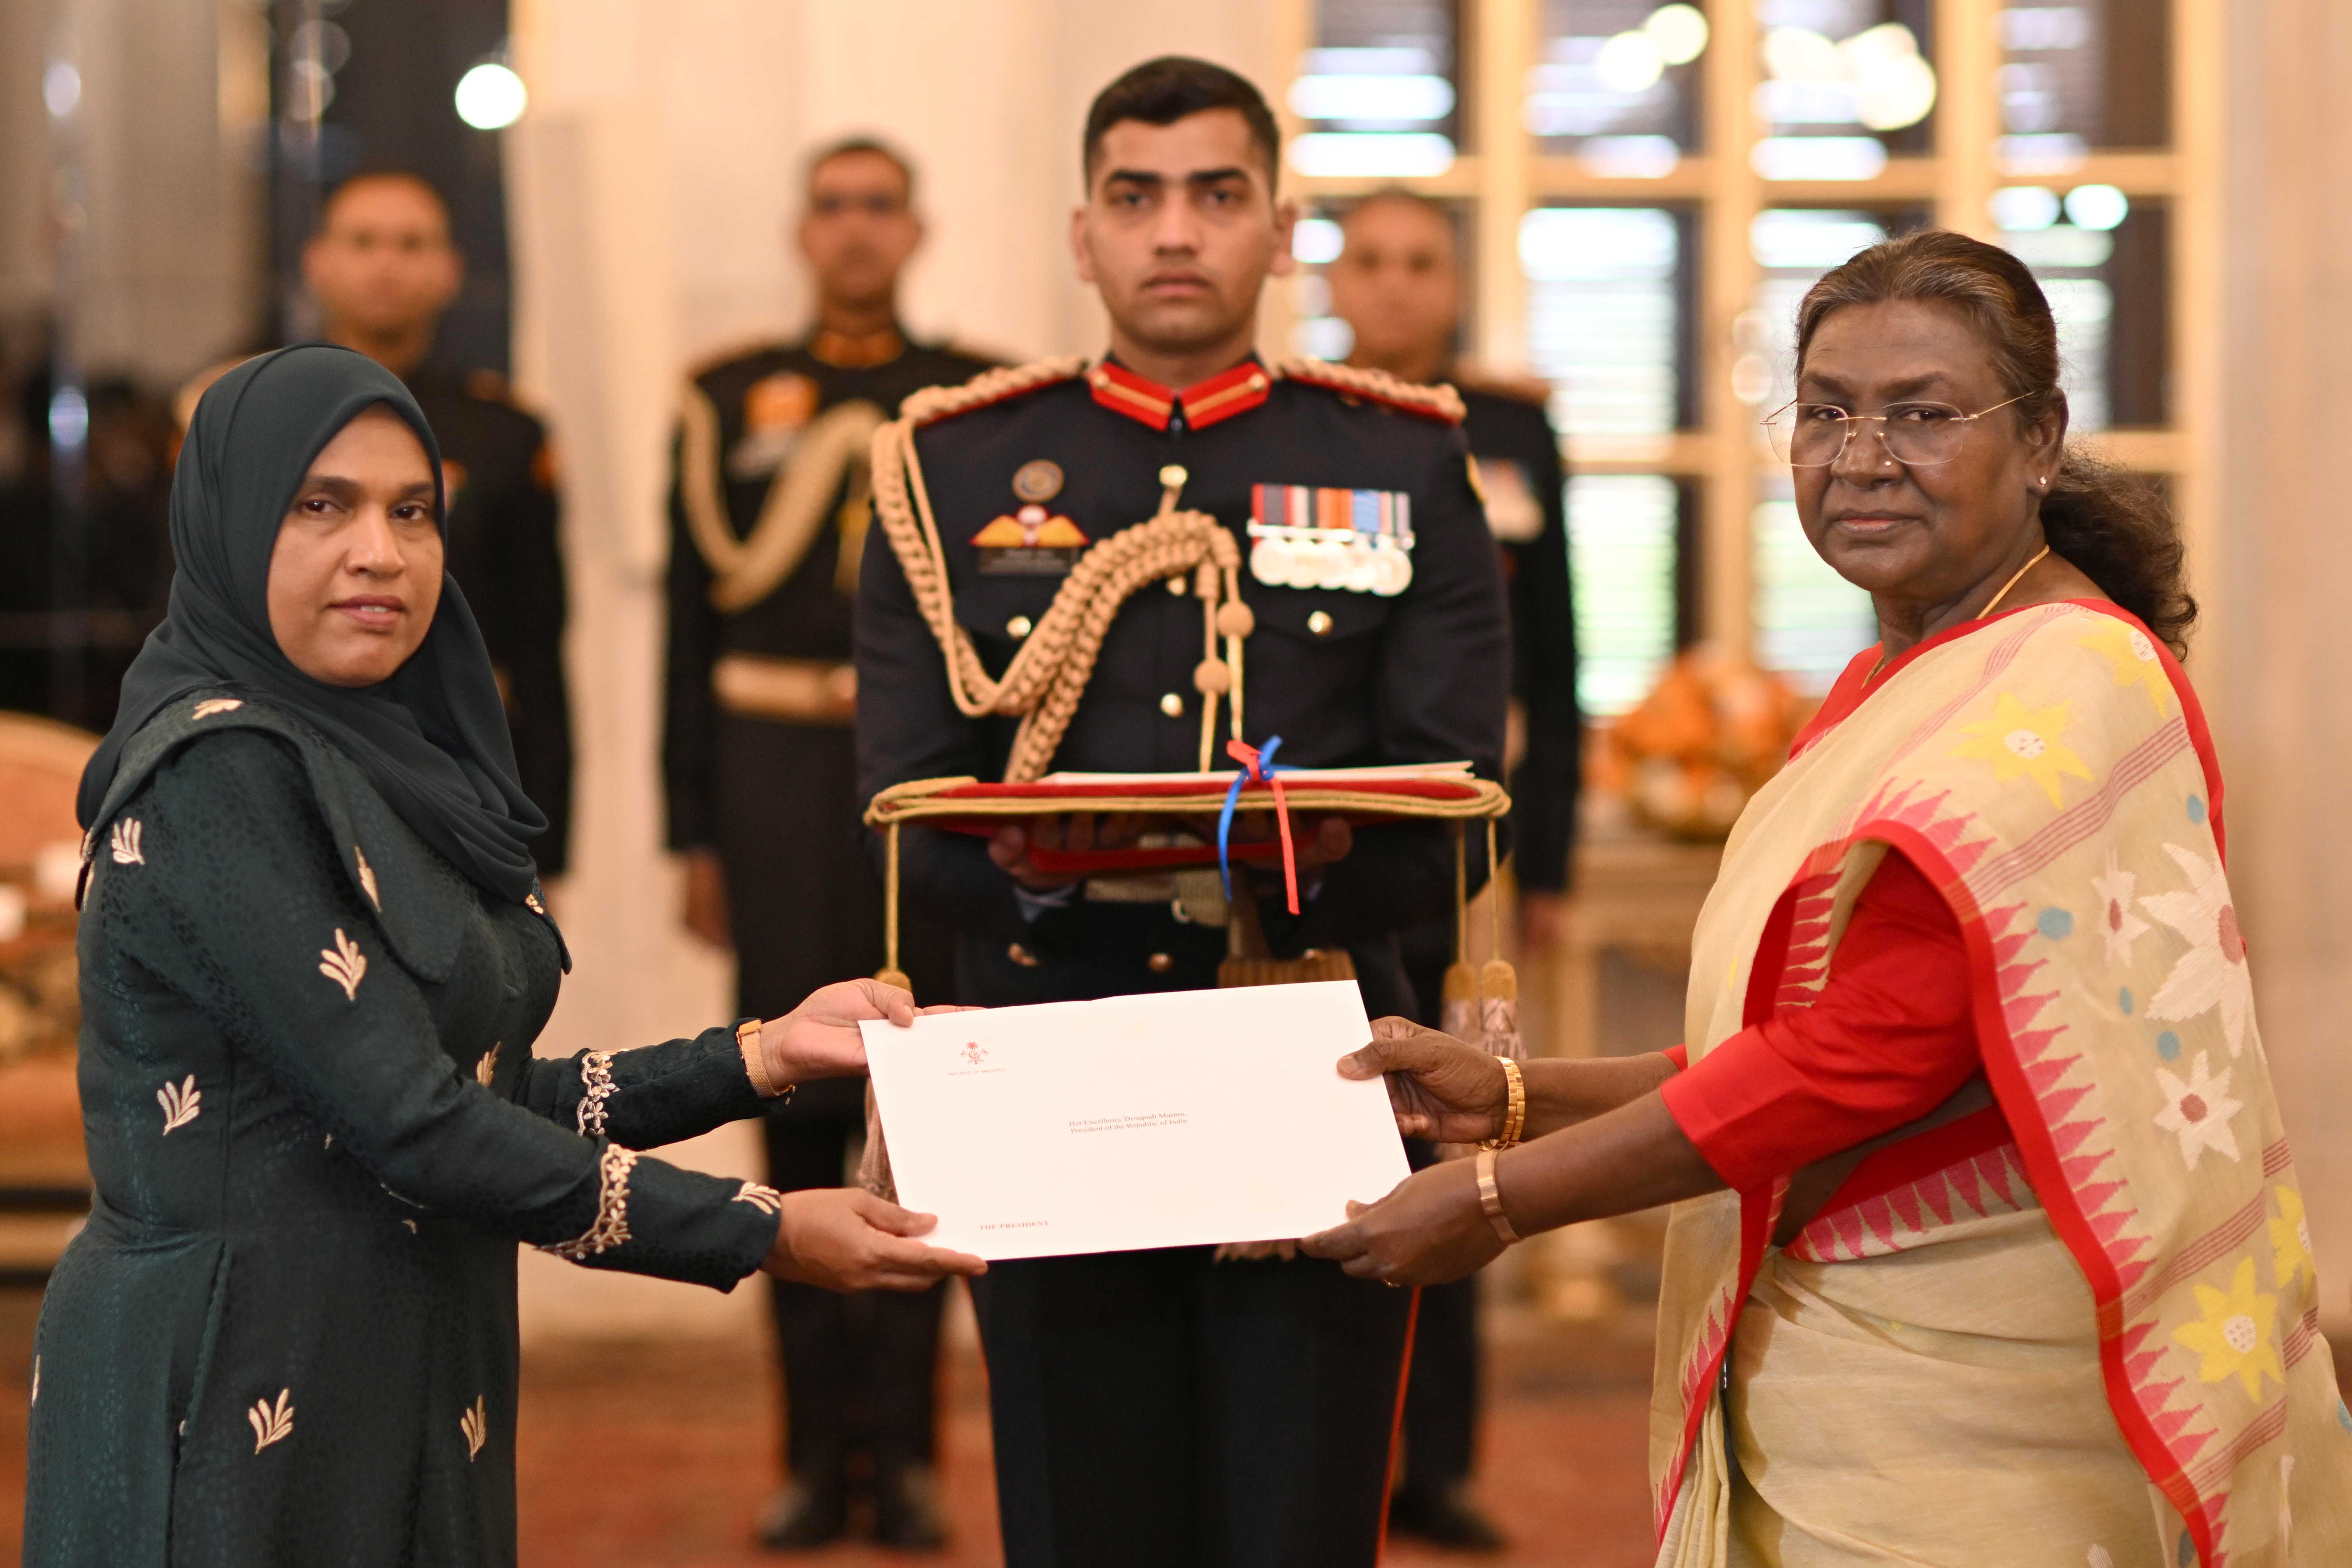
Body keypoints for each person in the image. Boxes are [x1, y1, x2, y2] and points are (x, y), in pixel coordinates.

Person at [1303, 231, 2352, 1566]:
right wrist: (1515, 1095)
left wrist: (1506, 1196)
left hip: (1975, 1427)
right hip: (1853, 1381)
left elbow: (1867, 1060)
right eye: (1822, 412)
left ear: (2037, 439)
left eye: (1920, 414)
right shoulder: (1900, 677)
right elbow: (1814, 1034)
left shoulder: (2066, 685)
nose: (1858, 458)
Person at [21, 346, 984, 1568]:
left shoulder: (384, 756)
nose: (381, 549)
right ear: (223, 521)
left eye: (412, 509)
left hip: (398, 1355)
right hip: (236, 1379)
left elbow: (468, 1086)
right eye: (319, 505)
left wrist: (758, 1056)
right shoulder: (222, 771)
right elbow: (414, 1122)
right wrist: (765, 1227)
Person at [855, 58, 1508, 1568]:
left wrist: (1292, 878)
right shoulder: (952, 468)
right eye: (1137, 198)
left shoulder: (1400, 462)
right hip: (1045, 1047)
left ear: (1280, 232)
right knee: (1083, 1516)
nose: (1175, 233)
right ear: (1081, 233)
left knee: (1301, 1514)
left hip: (1319, 1048)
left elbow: (1457, 790)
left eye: (1217, 196)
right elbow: (896, 798)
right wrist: (1030, 886)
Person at [660, 136, 994, 1551]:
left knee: (925, 1118)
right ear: (805, 231)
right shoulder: (727, 397)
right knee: (790, 1113)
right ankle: (810, 1457)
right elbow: (688, 631)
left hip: (922, 788)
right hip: (773, 779)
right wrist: (690, 827)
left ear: (914, 229)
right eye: (833, 207)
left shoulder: (975, 403)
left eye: (879, 207)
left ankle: (909, 1460)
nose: (856, 231)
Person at [1326, 186, 1582, 1551]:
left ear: (1457, 282)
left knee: (1467, 1127)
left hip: (1468, 850)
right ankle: (1342, 1445)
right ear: (1333, 280)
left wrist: (1540, 853)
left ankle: (1440, 1463)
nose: (1394, 288)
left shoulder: (1509, 432)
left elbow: (1555, 661)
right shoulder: (1304, 426)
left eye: (1420, 263)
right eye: (1368, 262)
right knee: (1343, 1137)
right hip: (1337, 844)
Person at [295, 170, 575, 878]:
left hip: (458, 772)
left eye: (411, 244)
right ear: (318, 262)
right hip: (293, 756)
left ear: (450, 272)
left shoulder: (503, 432)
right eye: (363, 242)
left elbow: (539, 640)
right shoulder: (252, 415)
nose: (386, 263)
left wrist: (547, 844)